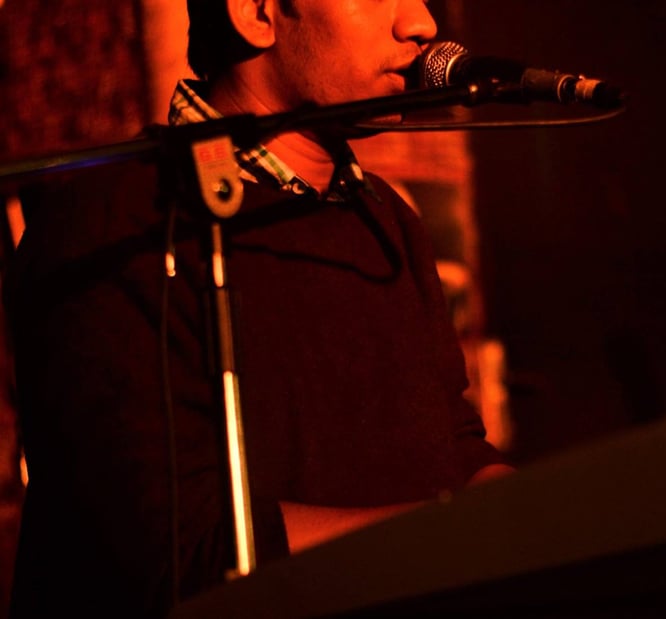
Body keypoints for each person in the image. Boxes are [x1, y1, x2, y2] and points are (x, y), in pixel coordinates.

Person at [4, 0, 513, 617]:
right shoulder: (113, 227)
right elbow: (167, 551)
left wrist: (539, 510)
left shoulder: (385, 218)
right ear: (256, 14)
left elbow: (448, 444)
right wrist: (446, 532)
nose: (421, 23)